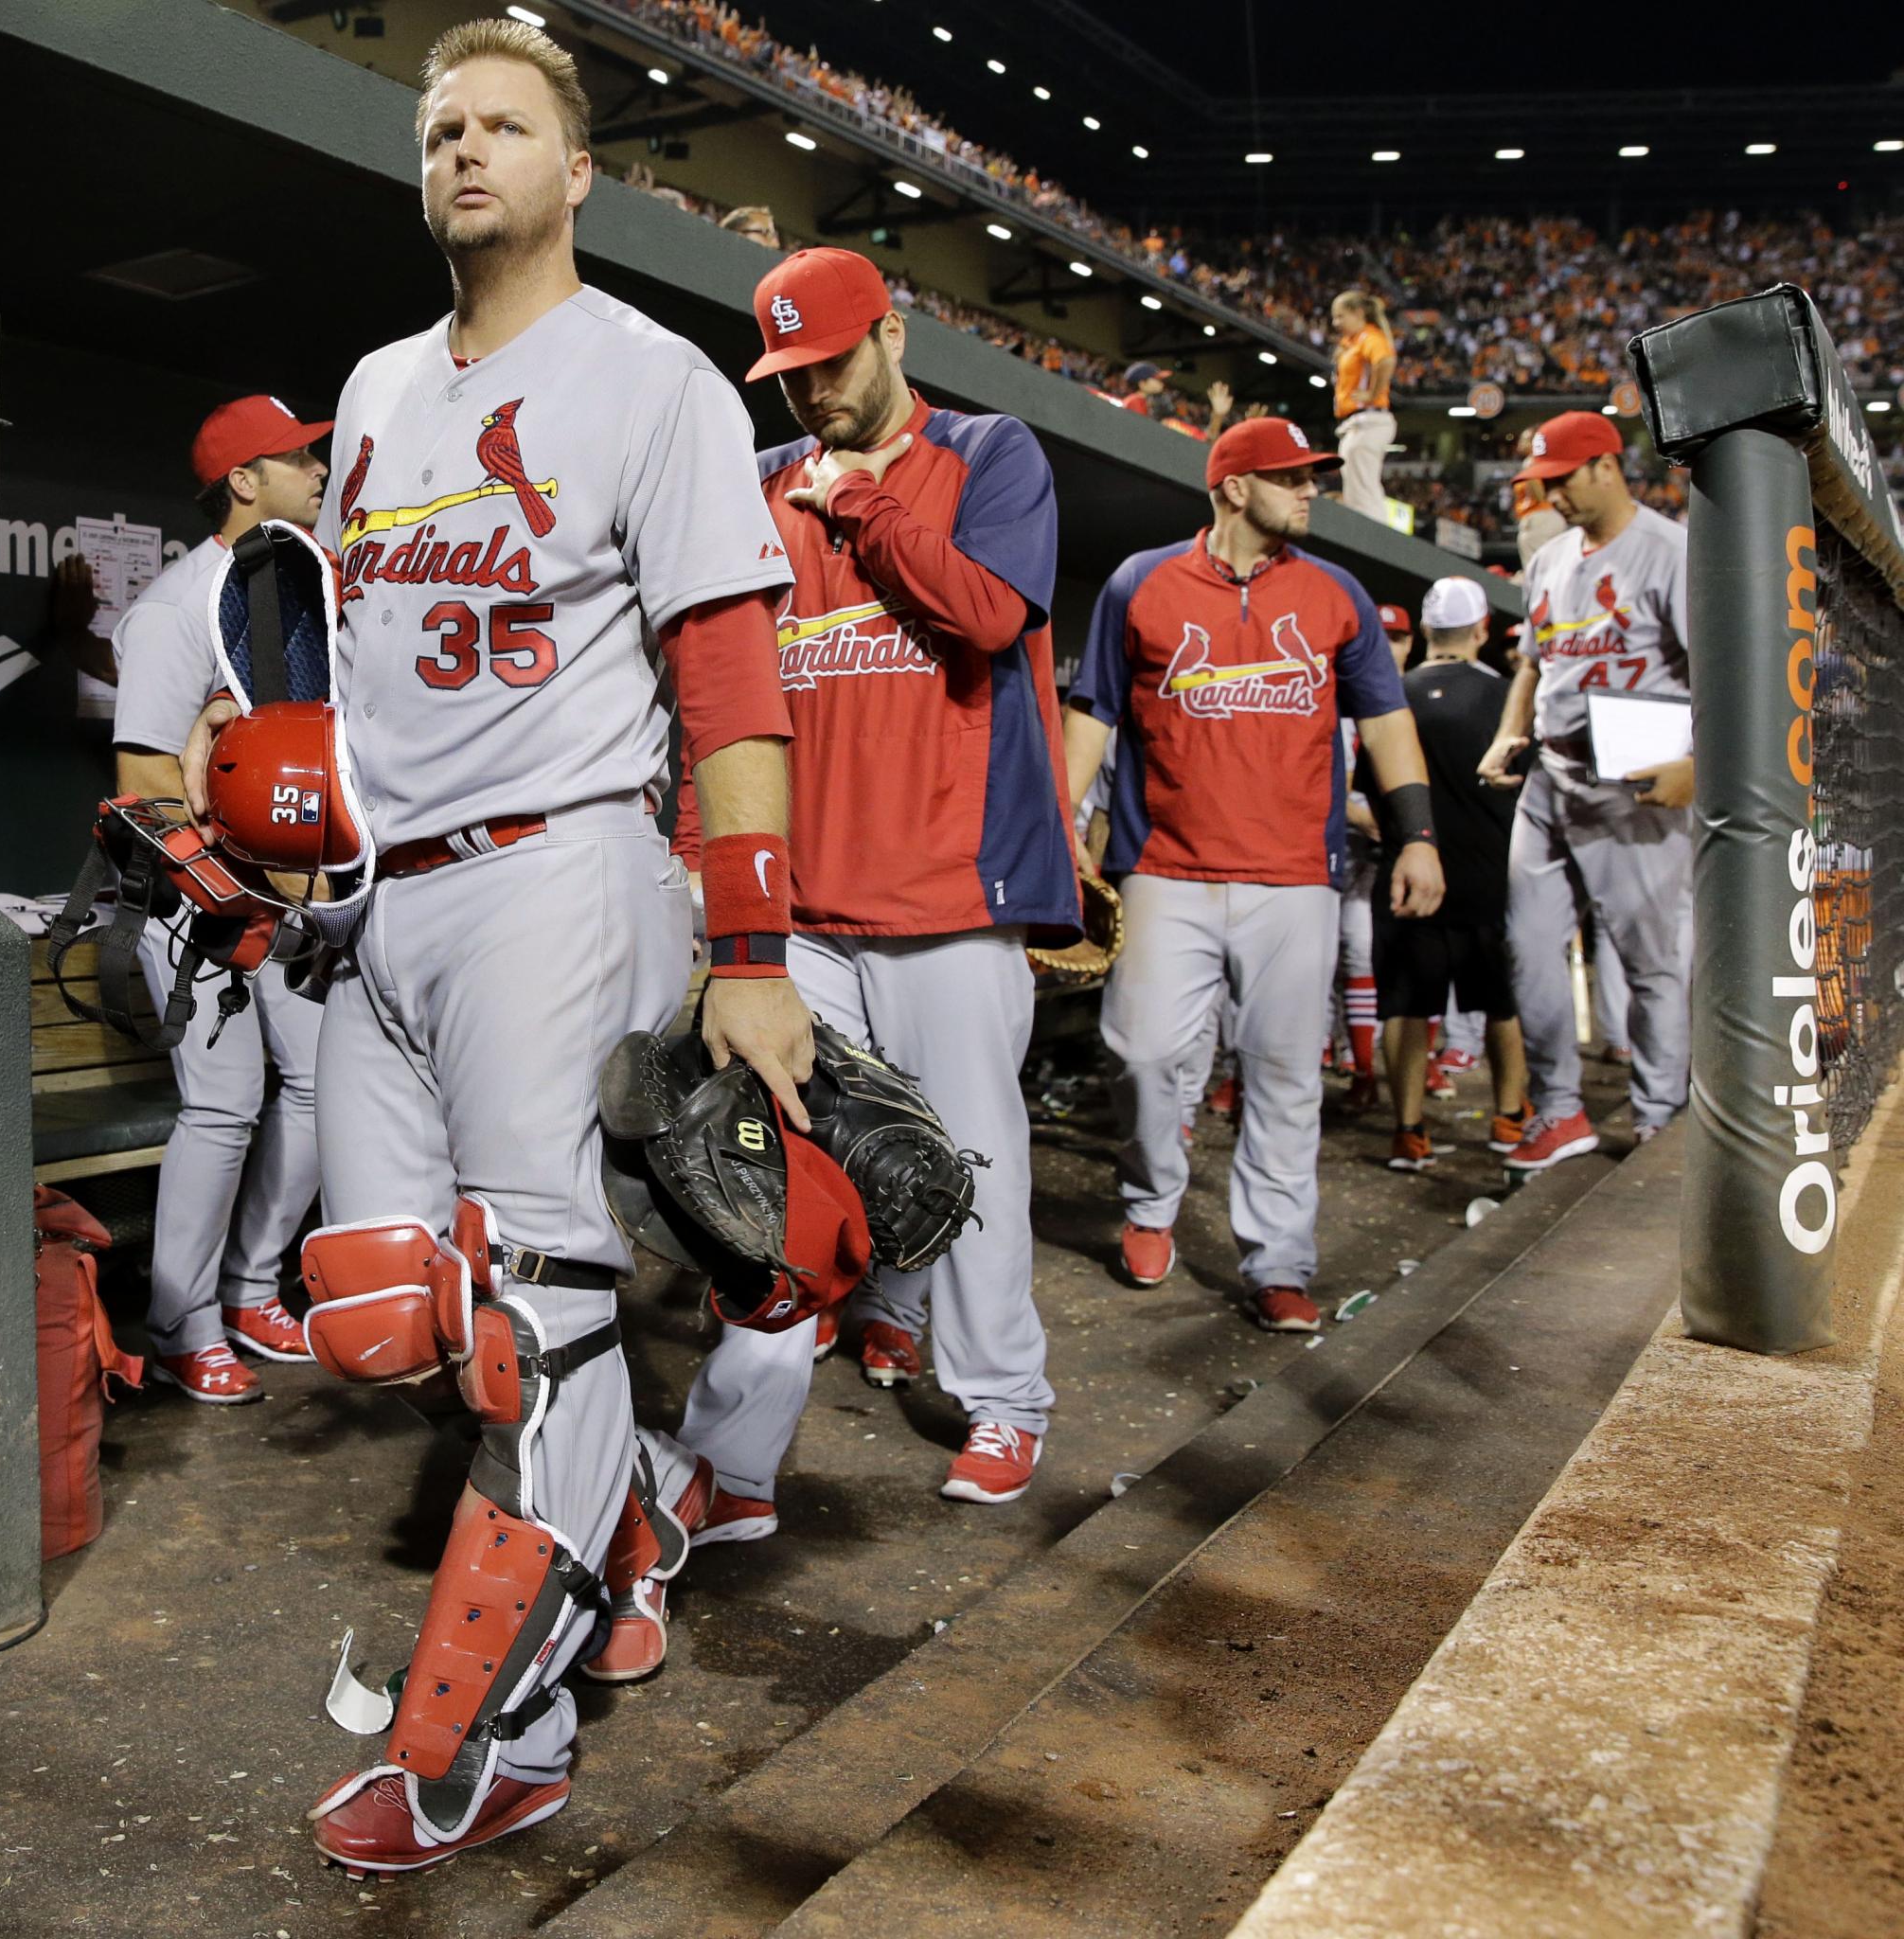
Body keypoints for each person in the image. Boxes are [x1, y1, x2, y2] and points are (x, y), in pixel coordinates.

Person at [185, 19, 808, 1875]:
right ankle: (622, 1535)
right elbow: (361, 665)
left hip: (560, 875)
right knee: (379, 1305)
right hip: (383, 898)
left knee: (539, 1322)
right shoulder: (372, 390)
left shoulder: (657, 379)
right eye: (441, 125)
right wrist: (309, 841)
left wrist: (753, 937)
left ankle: (497, 1744)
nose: (464, 148)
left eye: (504, 124)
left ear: (578, 169)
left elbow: (728, 673)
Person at [633, 244, 1073, 1580]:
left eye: (828, 363)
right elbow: (722, 714)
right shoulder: (755, 495)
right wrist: (723, 913)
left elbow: (990, 612)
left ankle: (1005, 1407)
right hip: (803, 916)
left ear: (890, 335)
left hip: (950, 896)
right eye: (788, 375)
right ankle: (736, 1466)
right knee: (762, 1190)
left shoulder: (993, 455)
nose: (809, 395)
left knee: (973, 1165)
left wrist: (866, 508)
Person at [1063, 418, 1446, 1333]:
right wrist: (1057, 828)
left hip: (1295, 876)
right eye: (1291, 477)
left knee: (1283, 1077)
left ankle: (1278, 1261)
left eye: (1312, 476)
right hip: (1164, 866)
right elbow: (1095, 714)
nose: (1310, 491)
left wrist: (1418, 834)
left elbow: (1387, 723)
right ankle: (1153, 1198)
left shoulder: (1335, 593)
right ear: (1234, 488)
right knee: (1142, 1052)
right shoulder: (1141, 582)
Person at [107, 397, 336, 1402]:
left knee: (323, 1086)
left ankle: (249, 1285)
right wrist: (242, 892)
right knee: (225, 1103)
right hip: (195, 905)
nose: (320, 474)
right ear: (246, 480)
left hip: (288, 902)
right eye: (300, 460)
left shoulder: (304, 593)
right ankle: (176, 1320)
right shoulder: (177, 603)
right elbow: (145, 779)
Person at [1475, 410, 1692, 1169]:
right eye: (1543, 483)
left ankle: (1662, 1118)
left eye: (1561, 480)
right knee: (1530, 950)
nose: (1552, 496)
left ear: (1606, 466)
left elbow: (1729, 677)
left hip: (1636, 775)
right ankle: (1561, 1111)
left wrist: (1698, 765)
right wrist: (1510, 730)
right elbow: (1534, 663)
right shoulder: (1549, 560)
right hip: (1553, 771)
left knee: (1649, 959)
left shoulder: (1671, 553)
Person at [1372, 579, 1531, 1168]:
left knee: (1406, 1007)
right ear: (1483, 630)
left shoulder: (1393, 696)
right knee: (1500, 1004)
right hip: (1487, 874)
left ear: (1425, 630)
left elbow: (1368, 786)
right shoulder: (1508, 698)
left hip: (1406, 872)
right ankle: (1510, 1120)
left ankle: (1409, 1132)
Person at [1333, 600, 1416, 1110]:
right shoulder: (1341, 702)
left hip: (1400, 851)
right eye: (1383, 637)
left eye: (1400, 638)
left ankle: (1400, 1065)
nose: (1390, 648)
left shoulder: (1419, 701)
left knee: (1408, 960)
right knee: (1348, 954)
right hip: (1348, 849)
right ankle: (1360, 1064)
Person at [1330, 291, 1396, 520]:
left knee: (1363, 493)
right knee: (1359, 490)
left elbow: (1386, 361)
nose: (1335, 323)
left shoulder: (1370, 337)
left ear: (1358, 313)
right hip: (1358, 422)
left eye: (1340, 316)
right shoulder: (1352, 342)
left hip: (1369, 419)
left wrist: (1372, 393)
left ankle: (1374, 543)